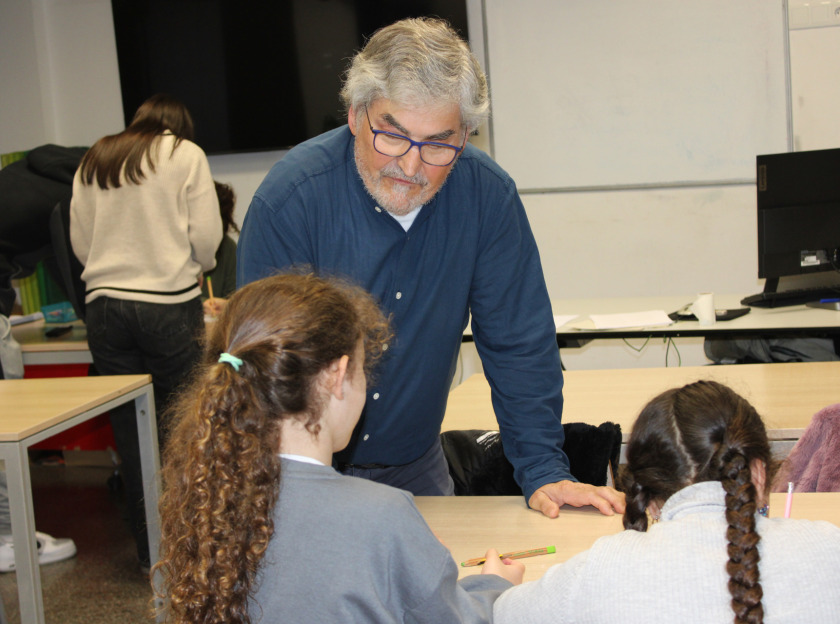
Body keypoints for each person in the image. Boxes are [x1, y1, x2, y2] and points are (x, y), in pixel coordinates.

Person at [237, 17, 623, 517]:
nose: (411, 166)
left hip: (416, 466)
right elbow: (266, 371)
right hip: (304, 472)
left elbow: (518, 344)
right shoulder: (291, 200)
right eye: (392, 136)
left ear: (465, 136)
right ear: (355, 114)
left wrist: (544, 469)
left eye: (439, 144)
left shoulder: (487, 197)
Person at [153, 272, 524, 624]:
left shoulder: (206, 498)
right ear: (338, 376)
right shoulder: (383, 515)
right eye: (364, 369)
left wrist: (407, 553)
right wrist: (493, 586)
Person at [493, 380, 840, 623]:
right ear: (760, 474)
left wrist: (493, 585)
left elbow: (496, 614)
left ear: (648, 499)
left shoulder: (600, 569)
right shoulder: (829, 545)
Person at [70, 93, 223, 570]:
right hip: (167, 304)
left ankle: (149, 553)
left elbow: (80, 242)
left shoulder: (98, 156)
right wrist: (198, 265)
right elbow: (207, 239)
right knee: (182, 426)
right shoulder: (184, 153)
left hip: (104, 308)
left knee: (132, 432)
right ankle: (190, 555)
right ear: (180, 125)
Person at [201, 181, 238, 317]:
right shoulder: (177, 249)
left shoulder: (228, 248)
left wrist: (227, 305)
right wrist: (200, 305)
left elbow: (236, 297)